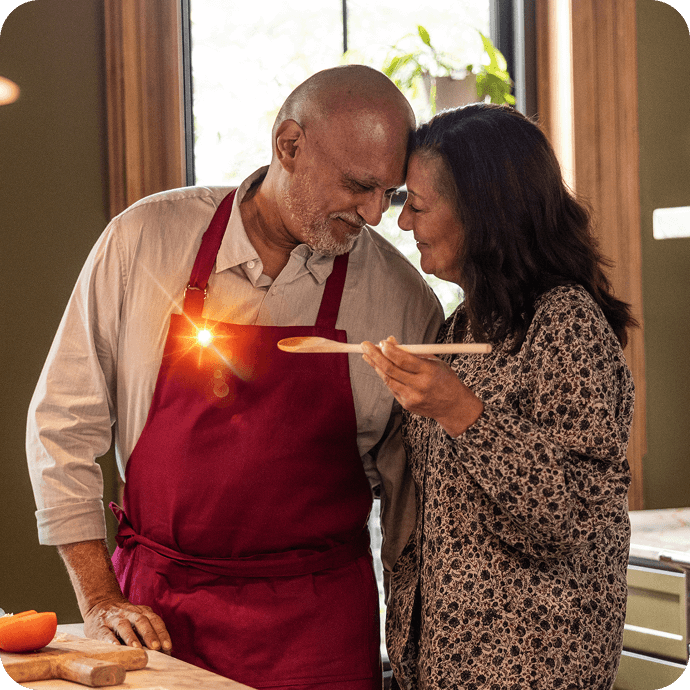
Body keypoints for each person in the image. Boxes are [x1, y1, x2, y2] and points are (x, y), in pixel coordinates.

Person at [26, 65, 444, 689]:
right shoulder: (143, 241)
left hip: (318, 633)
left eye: (390, 193)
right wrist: (99, 600)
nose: (375, 215)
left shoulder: (401, 300)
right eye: (358, 187)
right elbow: (62, 426)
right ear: (289, 145)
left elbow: (413, 500)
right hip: (159, 621)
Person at [362, 103, 636, 690]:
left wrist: (461, 411)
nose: (403, 222)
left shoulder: (566, 324)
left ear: (484, 213)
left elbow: (573, 523)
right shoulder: (462, 327)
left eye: (417, 203)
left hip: (534, 667)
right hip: (444, 666)